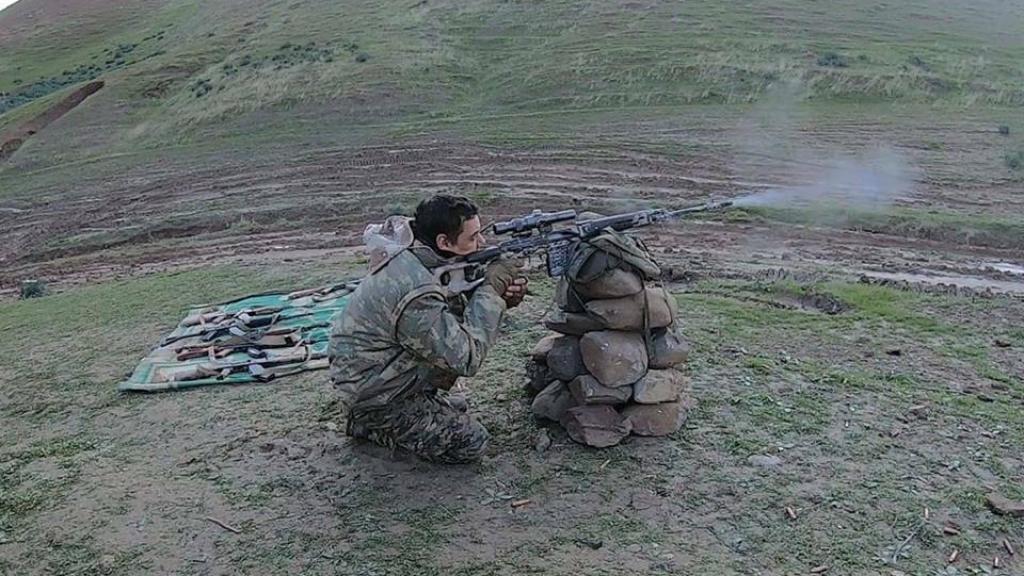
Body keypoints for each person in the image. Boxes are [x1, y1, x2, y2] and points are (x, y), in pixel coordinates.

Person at [328, 194, 528, 463]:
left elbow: (452, 308)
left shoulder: (420, 257)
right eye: (473, 238)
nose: (482, 244)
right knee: (471, 440)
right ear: (443, 242)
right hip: (376, 394)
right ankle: (371, 422)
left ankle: (393, 412)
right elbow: (465, 358)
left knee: (457, 407)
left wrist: (500, 299)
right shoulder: (415, 289)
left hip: (378, 375)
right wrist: (491, 292)